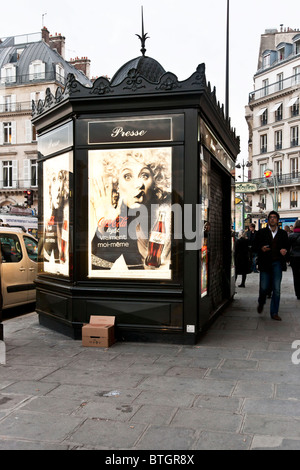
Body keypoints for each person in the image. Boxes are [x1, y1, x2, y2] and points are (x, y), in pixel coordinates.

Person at [90, 149, 171, 273]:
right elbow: (97, 266)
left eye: (144, 175)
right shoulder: (122, 218)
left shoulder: (171, 208)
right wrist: (105, 224)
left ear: (156, 180)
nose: (139, 184)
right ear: (117, 184)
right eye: (127, 176)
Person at [254, 210, 289, 321]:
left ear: (278, 220)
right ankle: (261, 302)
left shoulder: (283, 233)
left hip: (277, 263)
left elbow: (287, 247)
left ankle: (274, 312)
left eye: (274, 217)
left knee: (276, 289)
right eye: (271, 217)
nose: (272, 219)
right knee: (264, 287)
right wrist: (261, 248)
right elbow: (254, 246)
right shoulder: (261, 232)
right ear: (268, 220)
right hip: (265, 263)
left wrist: (285, 251)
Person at [288, 219, 300, 299]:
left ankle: (298, 293)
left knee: (296, 276)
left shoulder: (291, 236)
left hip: (294, 258)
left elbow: (288, 248)